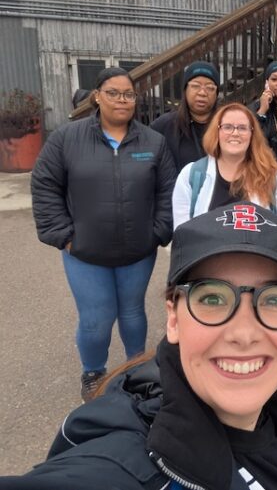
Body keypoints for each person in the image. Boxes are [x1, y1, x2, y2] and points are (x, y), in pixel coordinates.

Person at [0, 202, 277, 490]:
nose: (244, 333)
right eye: (213, 298)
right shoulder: (120, 462)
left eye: (276, 300)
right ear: (173, 318)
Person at [31, 67, 176, 401]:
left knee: (132, 312)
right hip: (84, 253)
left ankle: (137, 370)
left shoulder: (152, 142)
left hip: (138, 251)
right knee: (96, 318)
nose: (122, 100)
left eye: (128, 94)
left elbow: (167, 191)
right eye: (113, 92)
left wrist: (156, 233)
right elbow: (44, 185)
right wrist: (64, 235)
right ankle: (94, 373)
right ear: (97, 96)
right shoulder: (68, 138)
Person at [171, 102, 277, 229]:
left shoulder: (272, 176)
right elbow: (182, 236)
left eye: (242, 128)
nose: (235, 133)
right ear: (216, 132)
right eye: (227, 127)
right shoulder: (191, 175)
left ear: (252, 134)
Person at [150, 60, 220, 173]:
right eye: (195, 86)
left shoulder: (227, 126)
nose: (202, 92)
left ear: (216, 94)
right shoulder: (165, 125)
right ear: (185, 90)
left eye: (210, 87)